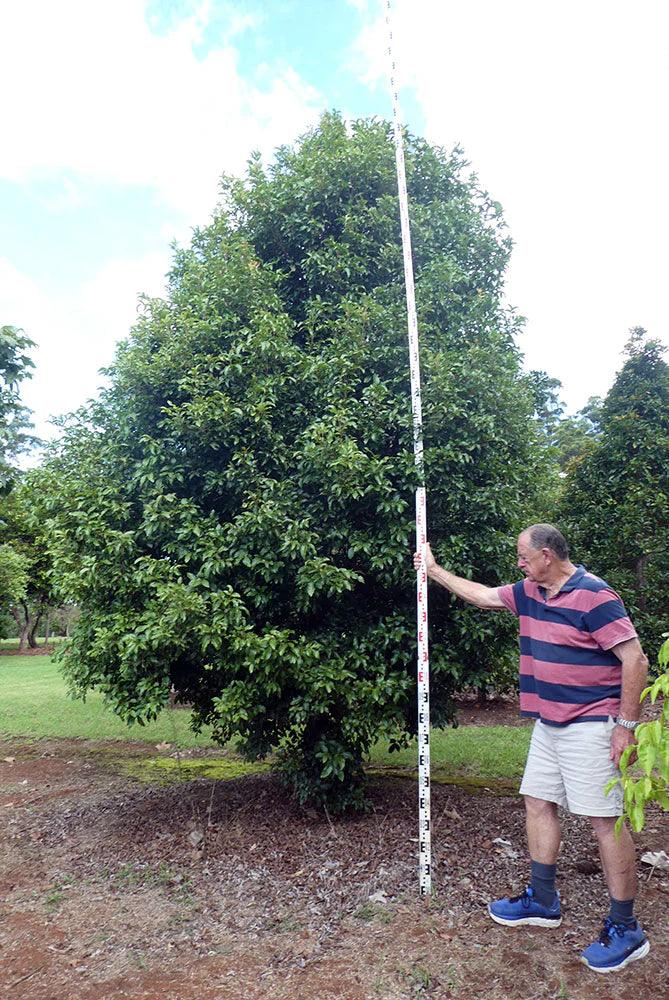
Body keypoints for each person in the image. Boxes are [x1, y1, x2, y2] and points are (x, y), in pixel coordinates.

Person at [413, 523, 650, 973]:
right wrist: (434, 570)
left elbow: (634, 659)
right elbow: (482, 595)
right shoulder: (528, 592)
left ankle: (626, 928)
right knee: (537, 802)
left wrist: (626, 727)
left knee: (604, 821)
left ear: (547, 555)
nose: (519, 564)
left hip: (592, 723)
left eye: (524, 556)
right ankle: (543, 901)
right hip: (550, 722)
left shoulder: (596, 596)